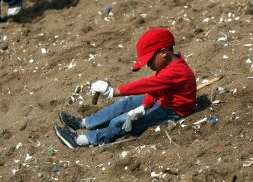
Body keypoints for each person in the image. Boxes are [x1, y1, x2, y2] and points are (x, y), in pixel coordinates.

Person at [54, 28, 197, 149]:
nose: (147, 65)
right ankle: (84, 123)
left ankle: (83, 140)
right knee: (125, 103)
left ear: (163, 52)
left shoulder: (177, 71)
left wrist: (114, 91)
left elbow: (147, 84)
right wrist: (144, 106)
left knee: (122, 121)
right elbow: (156, 89)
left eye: (149, 60)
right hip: (162, 100)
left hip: (172, 110)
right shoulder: (168, 65)